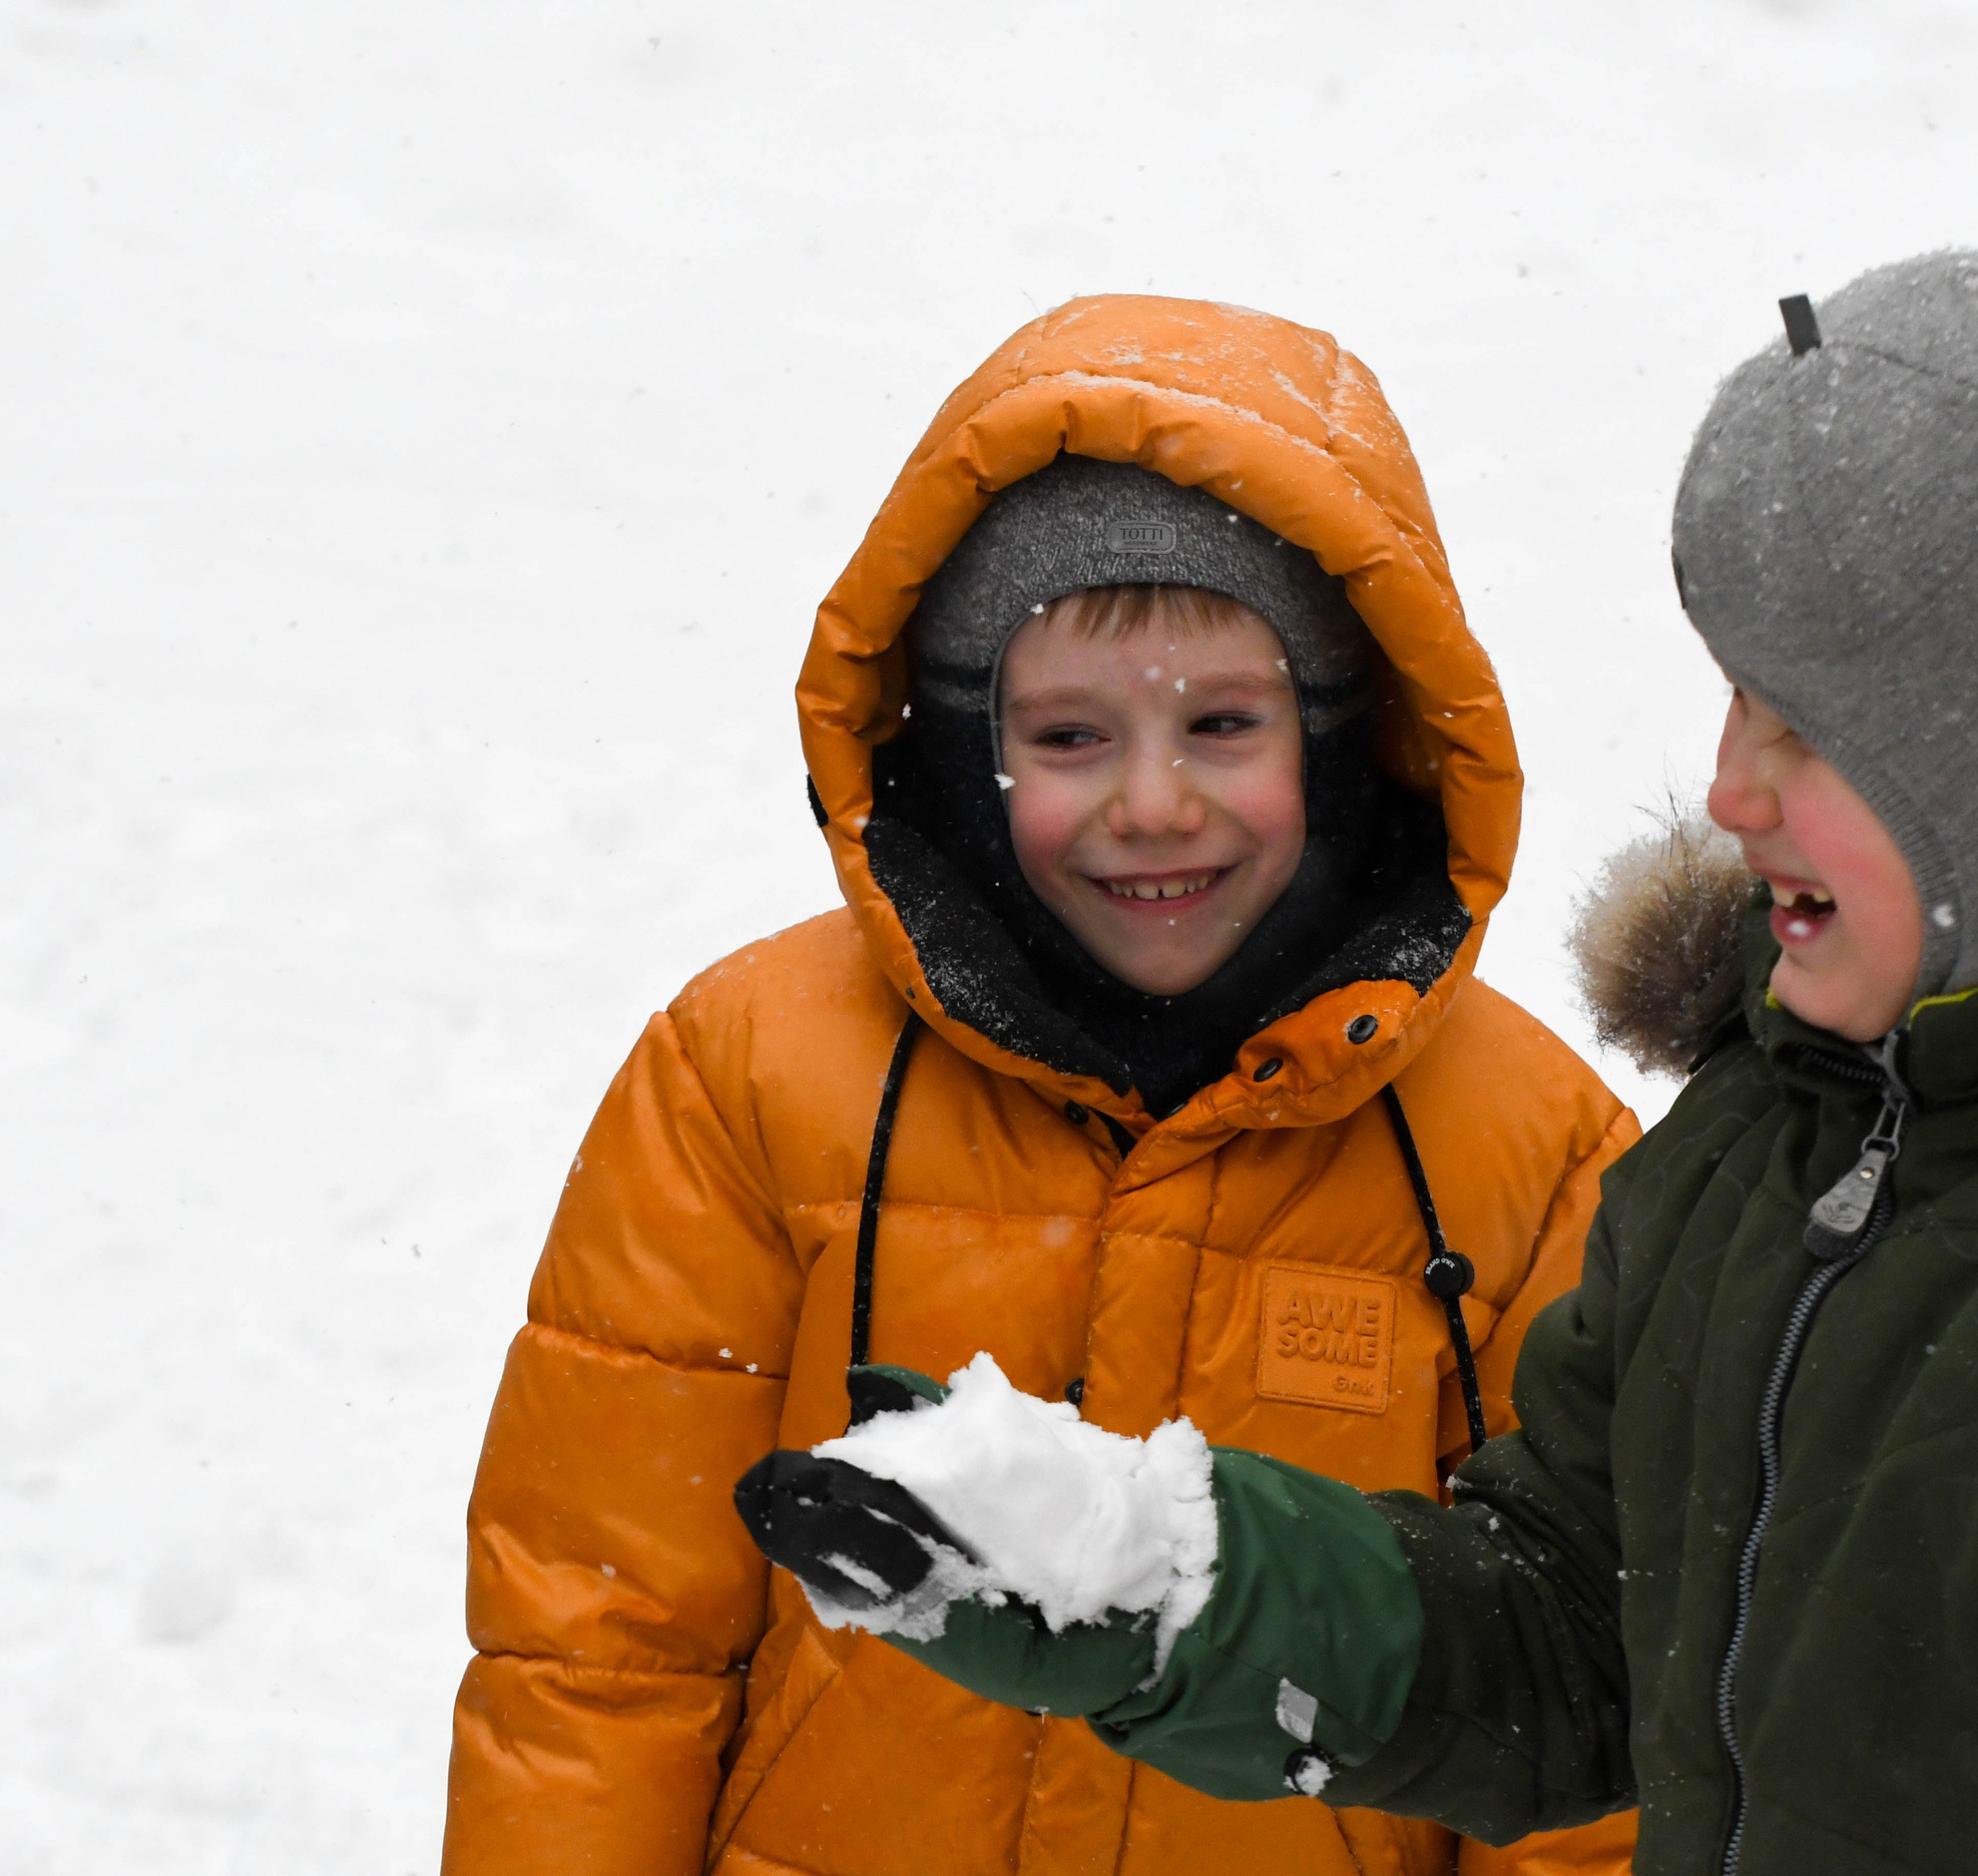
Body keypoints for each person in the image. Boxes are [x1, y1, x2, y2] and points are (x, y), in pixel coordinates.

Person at [744, 253, 1978, 1872]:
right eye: (1736, 696)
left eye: (1808, 728)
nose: (1732, 789)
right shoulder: (1786, 1140)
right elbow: (1565, 1625)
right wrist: (1143, 1574)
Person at [441, 293, 1643, 1876]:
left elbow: (1577, 1739)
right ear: (959, 750)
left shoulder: (1528, 1150)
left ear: (1347, 742)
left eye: (1225, 724)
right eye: (1068, 736)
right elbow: (598, 1645)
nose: (1154, 806)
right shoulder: (749, 1073)